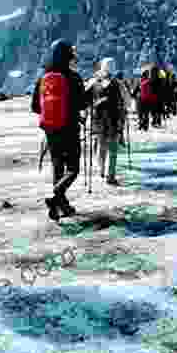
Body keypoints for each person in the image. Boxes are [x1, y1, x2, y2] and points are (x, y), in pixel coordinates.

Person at [31, 40, 92, 220]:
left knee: (58, 168)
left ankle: (58, 207)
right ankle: (56, 195)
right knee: (73, 169)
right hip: (70, 128)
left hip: (50, 130)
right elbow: (81, 103)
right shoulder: (73, 77)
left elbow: (35, 107)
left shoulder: (43, 77)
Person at [86, 58, 126, 185]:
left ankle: (101, 170)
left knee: (101, 146)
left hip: (98, 121)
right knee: (113, 149)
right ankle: (111, 175)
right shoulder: (118, 83)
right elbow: (128, 102)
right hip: (114, 120)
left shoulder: (93, 82)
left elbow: (84, 100)